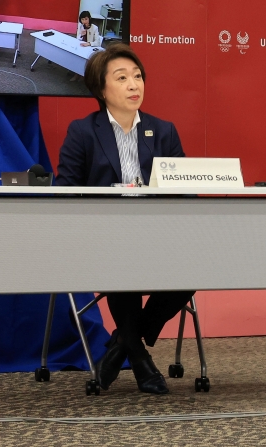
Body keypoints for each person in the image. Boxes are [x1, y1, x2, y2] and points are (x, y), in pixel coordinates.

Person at [55, 43, 192, 394]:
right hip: (102, 237)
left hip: (159, 237)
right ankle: (142, 363)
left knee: (195, 263)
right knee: (122, 259)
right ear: (102, 90)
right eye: (122, 78)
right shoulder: (83, 131)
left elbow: (186, 191)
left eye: (138, 76)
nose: (134, 84)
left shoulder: (164, 132)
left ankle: (122, 344)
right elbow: (64, 191)